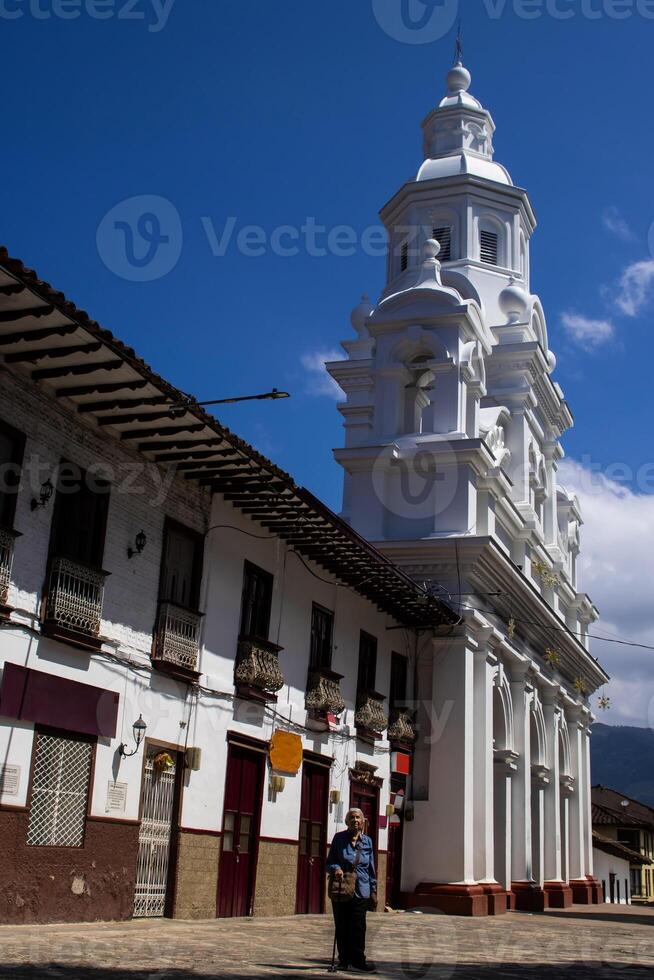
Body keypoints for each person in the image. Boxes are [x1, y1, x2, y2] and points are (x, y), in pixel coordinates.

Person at [326, 808, 377, 973]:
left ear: (363, 822)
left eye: (358, 818)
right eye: (352, 818)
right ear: (347, 821)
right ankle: (343, 960)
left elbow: (371, 868)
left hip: (361, 889)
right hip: (343, 887)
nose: (355, 820)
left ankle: (359, 960)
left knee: (359, 926)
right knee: (342, 925)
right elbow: (329, 862)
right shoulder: (339, 839)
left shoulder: (367, 842)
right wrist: (336, 869)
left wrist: (373, 889)